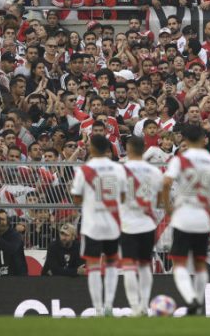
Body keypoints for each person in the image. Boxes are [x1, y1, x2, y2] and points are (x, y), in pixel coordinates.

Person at [162, 124, 210, 314]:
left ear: (185, 140)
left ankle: (191, 299)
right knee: (199, 263)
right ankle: (197, 305)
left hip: (182, 216)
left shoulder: (180, 160)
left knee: (179, 263)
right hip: (203, 218)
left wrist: (168, 207)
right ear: (204, 139)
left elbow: (165, 183)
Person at [70, 134, 127, 317]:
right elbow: (124, 196)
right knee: (111, 264)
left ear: (93, 148)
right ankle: (109, 304)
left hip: (92, 224)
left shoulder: (85, 170)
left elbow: (76, 198)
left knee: (93, 266)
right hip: (112, 223)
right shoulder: (118, 169)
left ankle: (98, 309)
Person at [121, 136, 164, 317]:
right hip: (148, 223)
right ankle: (145, 306)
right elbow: (161, 199)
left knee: (129, 266)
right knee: (145, 266)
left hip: (128, 224)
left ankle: (134, 307)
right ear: (144, 147)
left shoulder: (120, 170)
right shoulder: (155, 172)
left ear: (129, 148)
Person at [0, 209, 28, 276]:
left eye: (3, 219)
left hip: (17, 278)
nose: (0, 222)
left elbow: (12, 249)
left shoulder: (15, 235)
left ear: (7, 221)